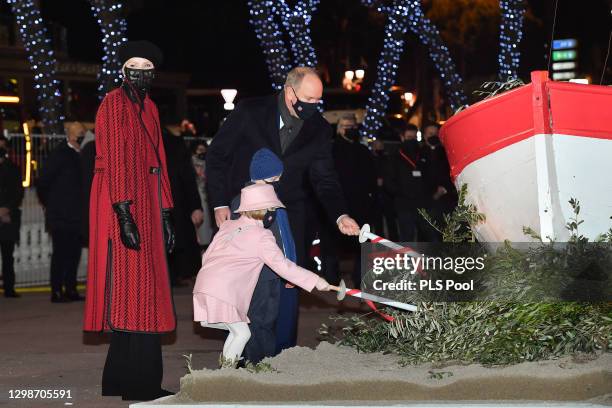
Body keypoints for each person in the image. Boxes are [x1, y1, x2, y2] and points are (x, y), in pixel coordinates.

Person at [83, 40, 175, 401]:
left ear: (154, 72)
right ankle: (142, 384)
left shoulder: (150, 107)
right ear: (122, 69)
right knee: (137, 292)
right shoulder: (113, 103)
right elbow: (116, 158)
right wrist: (124, 213)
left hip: (148, 206)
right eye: (133, 64)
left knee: (140, 290)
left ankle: (119, 380)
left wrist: (167, 212)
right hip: (125, 205)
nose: (139, 70)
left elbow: (160, 161)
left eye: (146, 64)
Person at [206, 67, 360, 270]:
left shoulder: (319, 129)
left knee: (287, 285)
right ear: (289, 92)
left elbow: (325, 178)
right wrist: (220, 203)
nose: (314, 105)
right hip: (244, 211)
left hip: (289, 216)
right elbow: (217, 156)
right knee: (243, 282)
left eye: (317, 100)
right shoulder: (250, 111)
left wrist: (341, 215)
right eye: (309, 99)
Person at [193, 183, 331, 368]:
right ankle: (225, 374)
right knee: (242, 334)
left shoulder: (228, 226)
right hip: (223, 294)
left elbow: (206, 256)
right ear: (263, 210)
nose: (271, 212)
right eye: (270, 208)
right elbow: (283, 266)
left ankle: (225, 371)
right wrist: (316, 280)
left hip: (204, 287)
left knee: (238, 332)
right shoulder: (261, 236)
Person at [228, 148, 298, 363]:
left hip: (246, 271)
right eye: (275, 177)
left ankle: (246, 358)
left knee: (251, 316)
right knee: (264, 318)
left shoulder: (238, 200)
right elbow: (284, 239)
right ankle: (261, 363)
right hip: (267, 272)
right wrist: (291, 269)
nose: (278, 181)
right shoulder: (269, 204)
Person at [320, 114, 376, 287]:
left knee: (362, 242)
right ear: (338, 129)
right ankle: (330, 280)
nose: (349, 129)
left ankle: (360, 279)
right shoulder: (330, 149)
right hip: (337, 203)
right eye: (345, 126)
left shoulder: (363, 150)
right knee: (331, 243)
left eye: (352, 126)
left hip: (360, 204)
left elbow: (372, 177)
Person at [36, 121, 86, 303]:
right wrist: (51, 204)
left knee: (74, 253)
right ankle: (56, 290)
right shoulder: (60, 154)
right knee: (61, 253)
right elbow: (42, 182)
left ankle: (70, 288)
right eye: (80, 132)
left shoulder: (80, 154)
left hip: (76, 215)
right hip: (60, 215)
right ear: (71, 135)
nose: (83, 135)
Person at [162, 128, 204, 286]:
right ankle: (180, 273)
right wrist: (195, 206)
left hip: (167, 201)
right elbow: (187, 178)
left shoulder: (145, 139)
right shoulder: (175, 144)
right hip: (177, 202)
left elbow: (187, 177)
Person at [384, 123, 428, 242]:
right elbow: (388, 182)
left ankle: (423, 260)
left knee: (424, 237)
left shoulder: (422, 154)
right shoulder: (394, 157)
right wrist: (402, 193)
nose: (412, 141)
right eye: (409, 138)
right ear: (402, 137)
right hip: (404, 205)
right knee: (407, 237)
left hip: (422, 204)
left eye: (414, 138)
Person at [419, 123, 457, 242]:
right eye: (430, 134)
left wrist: (445, 189)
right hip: (427, 201)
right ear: (425, 136)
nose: (433, 136)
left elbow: (453, 172)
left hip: (447, 201)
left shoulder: (447, 152)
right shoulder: (419, 153)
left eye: (435, 133)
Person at [0, 135, 24, 298]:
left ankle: (9, 288)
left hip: (8, 217)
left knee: (8, 255)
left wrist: (6, 208)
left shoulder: (13, 168)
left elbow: (18, 192)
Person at [371, 139, 398, 241]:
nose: (379, 148)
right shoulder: (370, 159)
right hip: (375, 195)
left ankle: (394, 242)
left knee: (391, 221)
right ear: (373, 147)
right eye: (377, 146)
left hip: (388, 194)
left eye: (381, 146)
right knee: (378, 222)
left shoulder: (388, 159)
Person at [191, 141, 213, 246]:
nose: (202, 152)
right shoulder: (192, 162)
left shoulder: (208, 162)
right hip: (197, 194)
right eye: (200, 149)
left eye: (204, 149)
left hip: (207, 195)